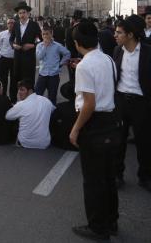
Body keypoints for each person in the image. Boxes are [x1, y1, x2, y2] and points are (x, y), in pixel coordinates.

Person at [69, 21, 121, 241]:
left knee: (92, 180)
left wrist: (75, 129)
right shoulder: (108, 59)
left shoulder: (84, 66)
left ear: (77, 43)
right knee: (108, 177)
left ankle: (97, 227)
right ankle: (111, 221)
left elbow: (88, 103)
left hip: (94, 124)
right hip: (111, 120)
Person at [113, 15, 151, 192]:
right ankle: (117, 175)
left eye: (119, 32)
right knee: (118, 141)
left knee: (144, 142)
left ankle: (145, 176)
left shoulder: (147, 52)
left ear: (130, 35)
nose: (116, 35)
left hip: (141, 103)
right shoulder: (117, 51)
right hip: (121, 101)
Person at [5, 79, 55, 149]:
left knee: (16, 118)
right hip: (44, 143)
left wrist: (18, 103)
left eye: (22, 90)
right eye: (19, 90)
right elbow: (53, 110)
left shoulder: (21, 105)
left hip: (25, 143)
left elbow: (8, 116)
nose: (19, 92)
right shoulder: (46, 100)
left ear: (30, 91)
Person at [10, 1, 41, 103]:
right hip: (18, 57)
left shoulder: (34, 25)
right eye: (20, 13)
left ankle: (30, 102)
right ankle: (14, 101)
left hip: (29, 58)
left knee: (28, 80)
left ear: (28, 14)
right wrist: (14, 45)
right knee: (15, 79)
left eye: (24, 12)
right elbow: (11, 39)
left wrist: (31, 45)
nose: (22, 15)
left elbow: (39, 41)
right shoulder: (16, 25)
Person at [35, 27, 70, 105]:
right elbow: (39, 57)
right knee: (37, 95)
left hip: (54, 74)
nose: (45, 36)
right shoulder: (39, 45)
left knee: (52, 97)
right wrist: (45, 46)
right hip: (42, 74)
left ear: (51, 34)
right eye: (43, 34)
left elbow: (67, 53)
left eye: (47, 34)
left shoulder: (57, 45)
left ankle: (52, 114)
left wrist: (61, 64)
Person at [0, 18, 15, 98]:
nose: (10, 24)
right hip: (3, 59)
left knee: (13, 81)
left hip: (14, 60)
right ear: (7, 24)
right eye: (9, 23)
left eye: (12, 23)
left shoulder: (18, 34)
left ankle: (13, 98)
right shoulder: (2, 34)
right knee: (3, 80)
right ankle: (3, 98)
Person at [66, 9, 83, 80]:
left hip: (72, 56)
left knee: (72, 77)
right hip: (83, 56)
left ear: (73, 19)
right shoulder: (83, 29)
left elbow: (68, 44)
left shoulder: (69, 30)